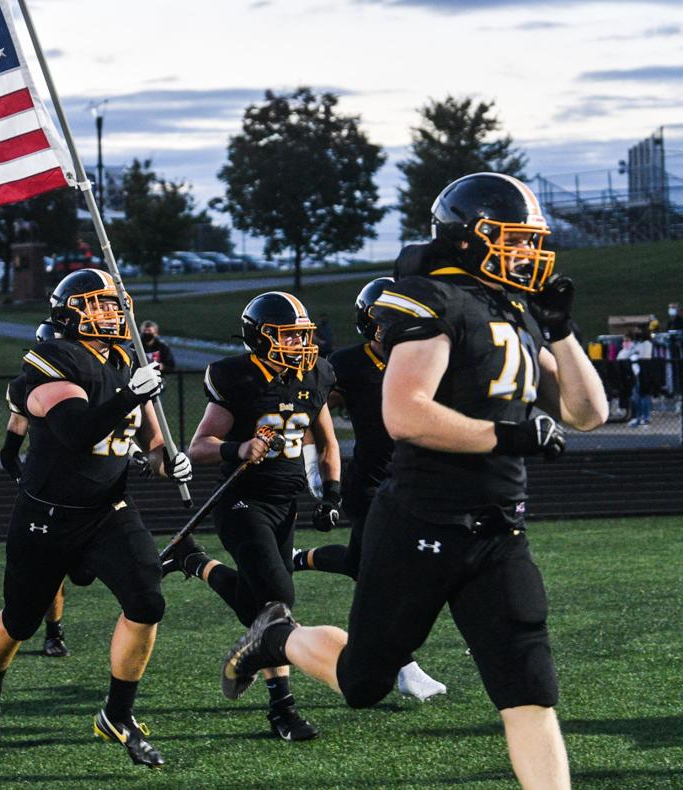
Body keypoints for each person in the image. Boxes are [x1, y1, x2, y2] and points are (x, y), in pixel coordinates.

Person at [219, 173, 609, 790]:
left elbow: (589, 414)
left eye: (532, 242)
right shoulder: (431, 299)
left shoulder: (515, 311)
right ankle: (279, 636)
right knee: (363, 682)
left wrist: (560, 330)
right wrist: (506, 436)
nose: (528, 254)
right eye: (513, 240)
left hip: (499, 528)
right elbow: (406, 413)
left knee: (530, 694)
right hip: (422, 523)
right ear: (467, 239)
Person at [0, 269, 192, 766]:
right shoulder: (54, 357)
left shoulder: (127, 358)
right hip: (48, 516)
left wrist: (168, 460)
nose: (112, 312)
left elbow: (153, 445)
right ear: (70, 313)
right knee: (21, 621)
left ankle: (118, 713)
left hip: (108, 510)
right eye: (99, 304)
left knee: (147, 600)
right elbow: (76, 431)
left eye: (115, 303)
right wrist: (131, 394)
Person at [162, 291, 342, 742]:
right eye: (288, 336)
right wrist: (238, 448)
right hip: (242, 501)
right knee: (278, 600)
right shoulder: (236, 377)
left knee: (260, 608)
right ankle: (282, 708)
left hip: (285, 503)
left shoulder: (314, 373)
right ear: (259, 339)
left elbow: (327, 441)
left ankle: (194, 563)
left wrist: (332, 493)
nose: (300, 344)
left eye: (303, 335)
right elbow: (199, 446)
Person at [291, 278, 446, 701]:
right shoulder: (348, 364)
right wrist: (313, 463)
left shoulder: (429, 357)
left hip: (421, 481)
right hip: (376, 485)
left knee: (363, 564)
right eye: (385, 319)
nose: (395, 327)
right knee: (384, 575)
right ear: (367, 323)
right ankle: (404, 665)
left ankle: (295, 558)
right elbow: (311, 409)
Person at [0, 320, 74, 657]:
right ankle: (54, 631)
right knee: (49, 570)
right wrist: (25, 483)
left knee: (87, 572)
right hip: (48, 492)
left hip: (93, 492)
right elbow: (9, 450)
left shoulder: (97, 381)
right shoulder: (23, 388)